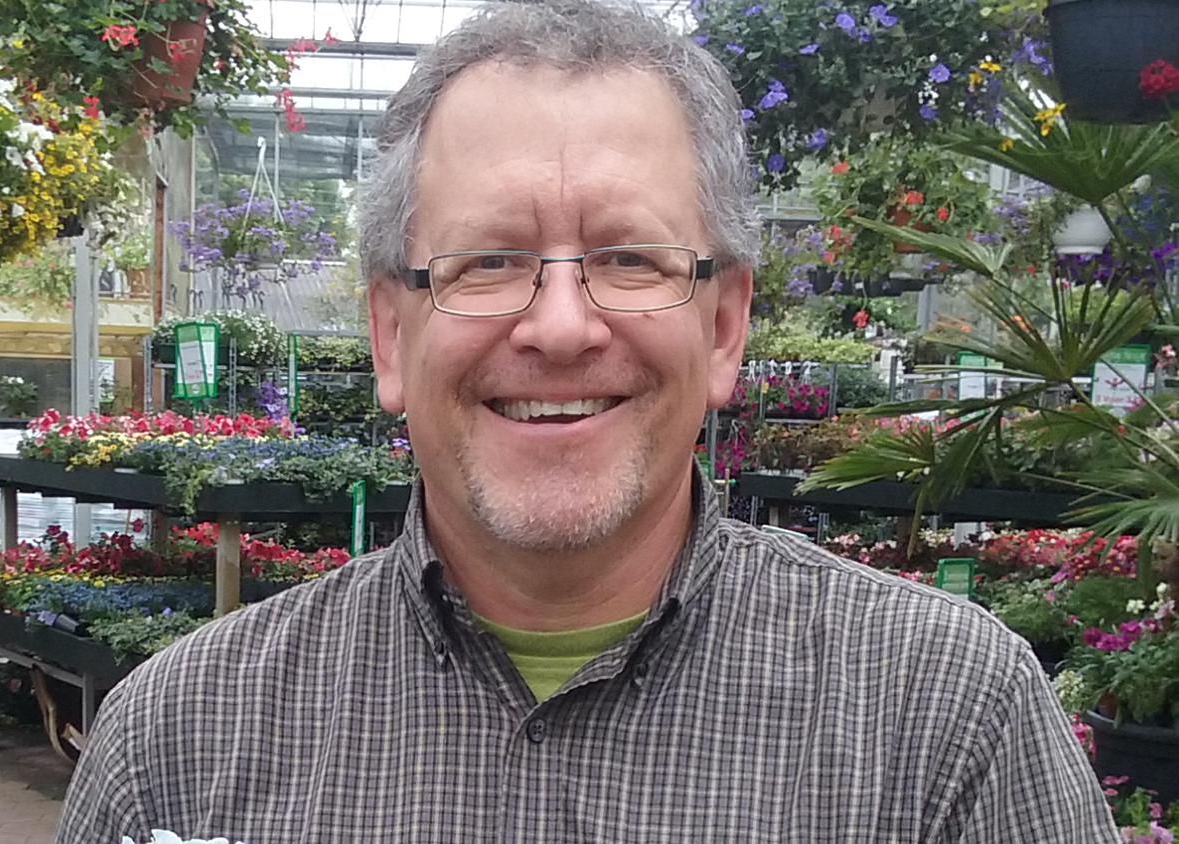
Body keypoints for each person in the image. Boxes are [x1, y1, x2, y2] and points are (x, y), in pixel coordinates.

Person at [55, 2, 1117, 840]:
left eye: (627, 258)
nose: (560, 327)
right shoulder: (178, 741)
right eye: (491, 262)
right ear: (389, 334)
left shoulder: (944, 722)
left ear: (724, 327)